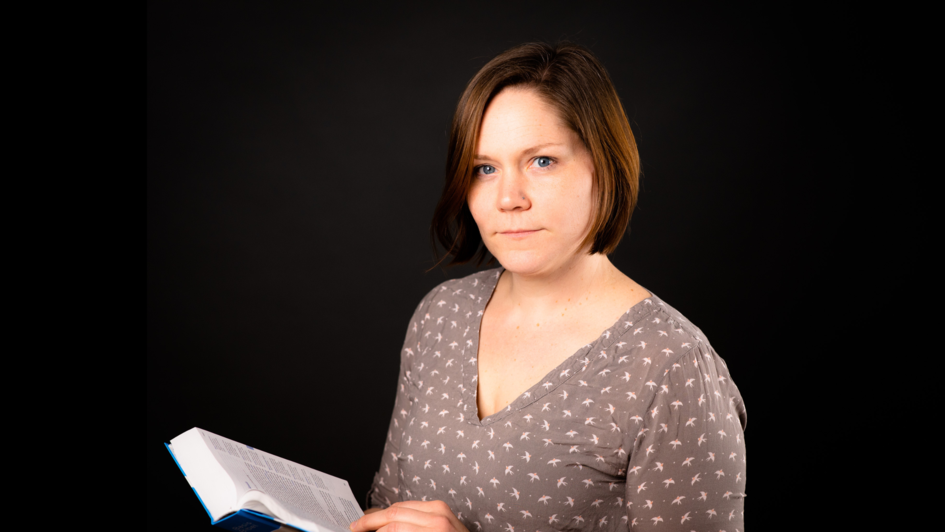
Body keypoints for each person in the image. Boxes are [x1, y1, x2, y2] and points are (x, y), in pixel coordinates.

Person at [350, 42, 747, 532]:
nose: (508, 198)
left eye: (541, 161)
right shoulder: (442, 314)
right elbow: (388, 507)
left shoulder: (670, 365)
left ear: (603, 167)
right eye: (485, 169)